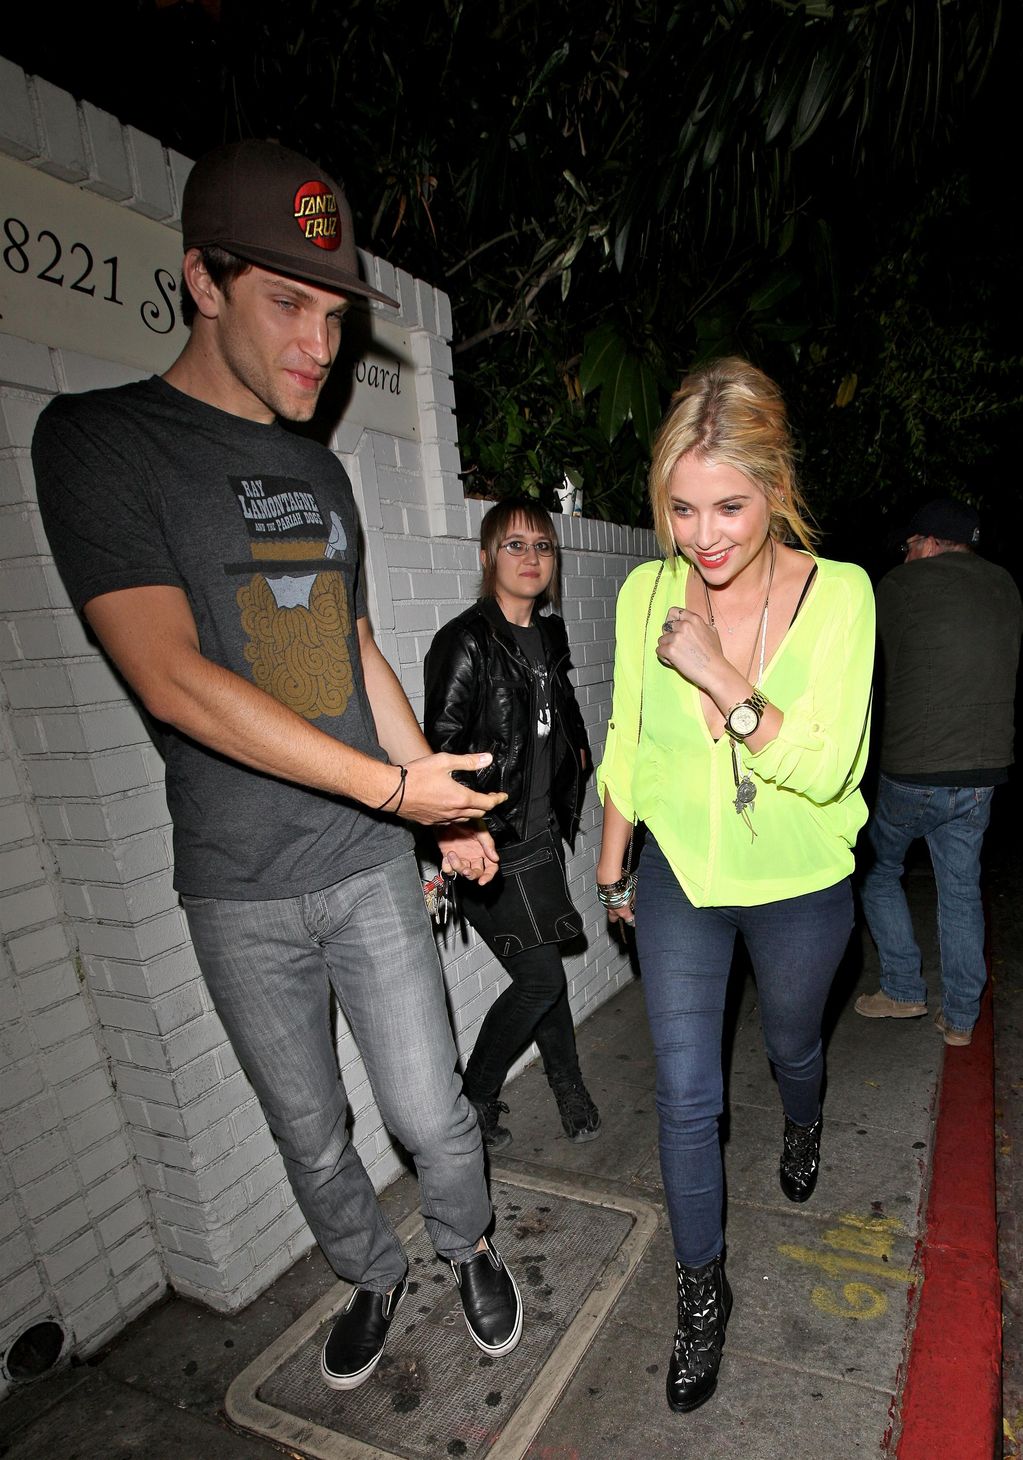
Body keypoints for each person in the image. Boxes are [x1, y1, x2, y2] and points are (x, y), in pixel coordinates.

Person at [31, 138, 523, 1392]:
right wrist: (393, 790)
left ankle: (465, 1243)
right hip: (238, 885)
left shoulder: (317, 467)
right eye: (288, 304)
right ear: (202, 279)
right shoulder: (97, 442)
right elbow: (170, 673)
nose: (321, 344)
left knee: (429, 1114)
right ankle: (370, 1270)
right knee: (311, 1132)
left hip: (367, 864)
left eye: (335, 315)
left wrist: (431, 804)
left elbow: (351, 644)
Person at [595, 357, 874, 1414]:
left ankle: (803, 1115)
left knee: (790, 1042)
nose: (702, 533)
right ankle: (701, 1290)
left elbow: (828, 762)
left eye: (729, 504)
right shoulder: (644, 590)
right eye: (680, 506)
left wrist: (718, 671)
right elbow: (628, 736)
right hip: (683, 874)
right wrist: (614, 860)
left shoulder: (840, 595)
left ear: (776, 488)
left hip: (801, 876)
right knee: (685, 1093)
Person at [423, 500, 600, 1150]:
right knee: (541, 980)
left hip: (539, 839)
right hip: (487, 847)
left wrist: (579, 762)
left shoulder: (548, 636)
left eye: (542, 547)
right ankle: (476, 1095)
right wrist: (453, 836)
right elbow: (436, 750)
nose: (530, 559)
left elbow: (559, 717)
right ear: (486, 557)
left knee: (543, 968)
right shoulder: (465, 642)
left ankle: (566, 1084)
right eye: (514, 546)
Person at [855, 498, 1022, 1046]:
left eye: (909, 546)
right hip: (983, 775)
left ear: (927, 542)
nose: (905, 557)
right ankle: (961, 1018)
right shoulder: (1005, 586)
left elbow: (863, 666)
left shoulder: (898, 589)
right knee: (960, 889)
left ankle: (903, 989)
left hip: (913, 772)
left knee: (877, 872)